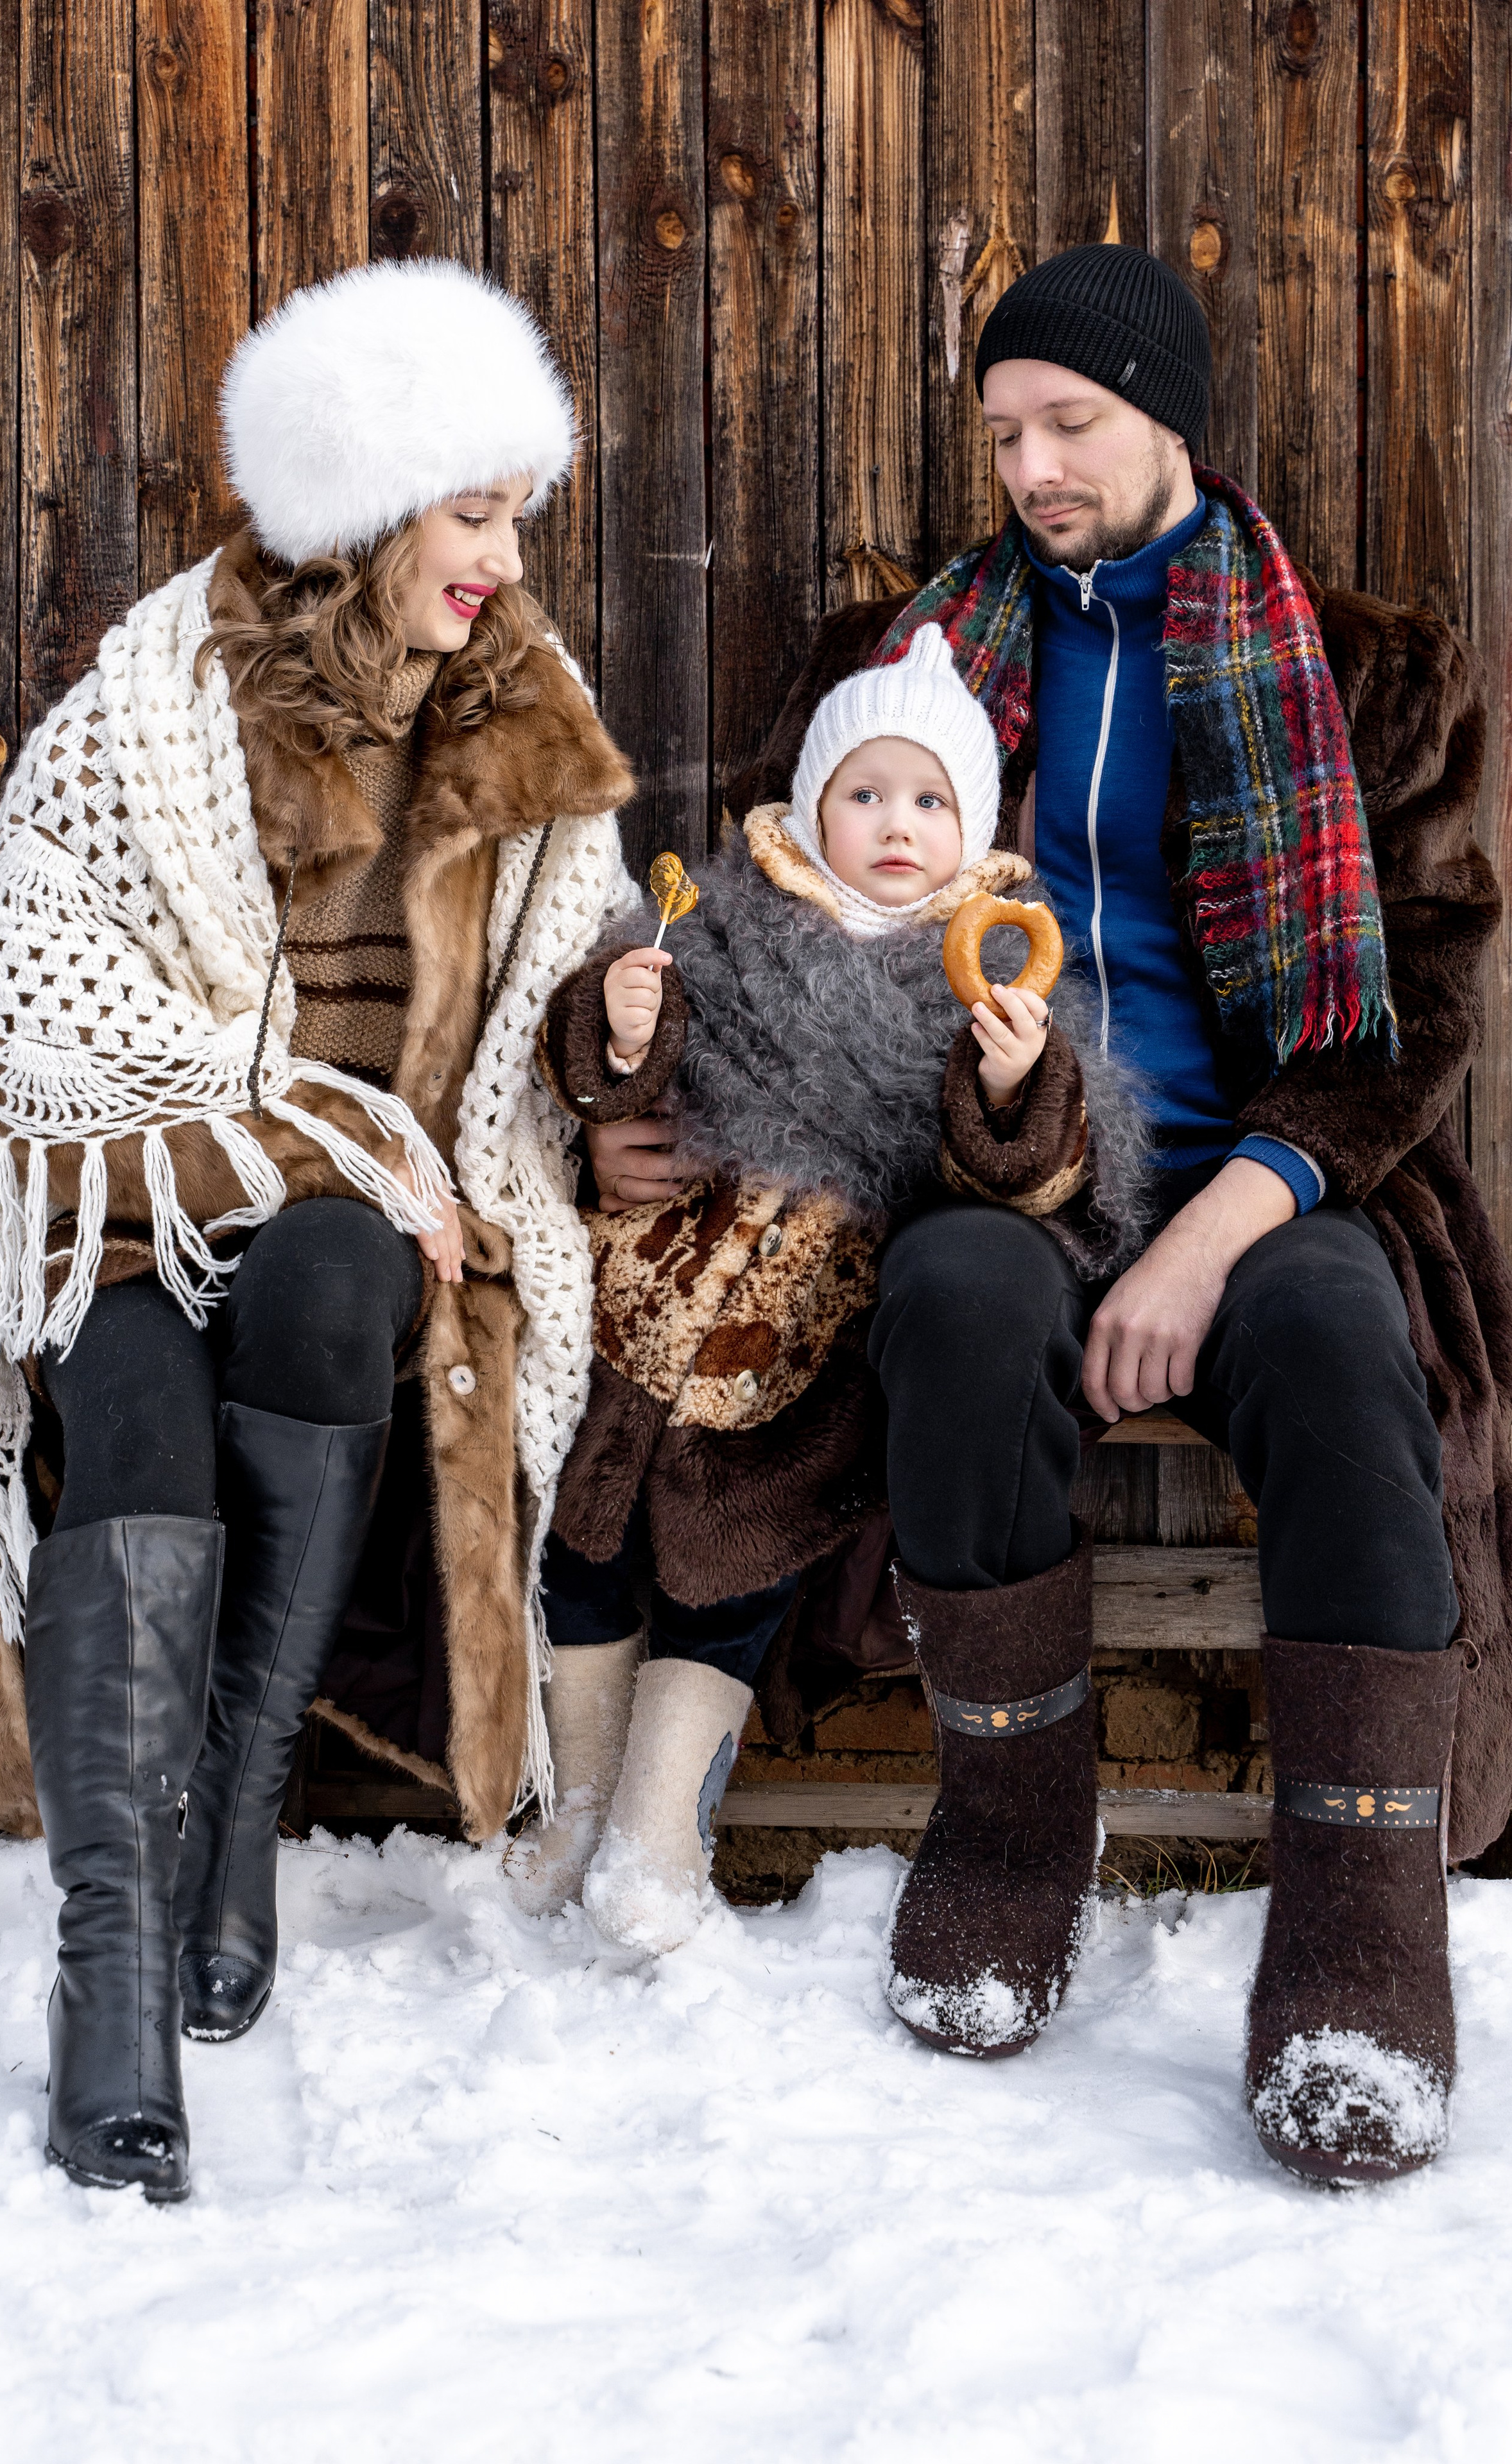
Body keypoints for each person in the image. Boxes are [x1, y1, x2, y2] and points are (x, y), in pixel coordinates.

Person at [639, 243, 1506, 2186]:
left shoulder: (1367, 670)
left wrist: (1221, 1229)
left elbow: (1424, 998)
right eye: (1006, 430)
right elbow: (779, 918)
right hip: (998, 1160)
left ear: (1168, 413)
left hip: (1275, 1173)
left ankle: (1363, 1927)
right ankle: (1016, 1821)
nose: (1034, 467)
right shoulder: (909, 667)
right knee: (950, 1292)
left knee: (1355, 1337)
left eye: (1074, 424)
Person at [0, 259, 639, 2200]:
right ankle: (111, 1980)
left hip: (361, 1214)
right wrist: (283, 1118)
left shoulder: (523, 728)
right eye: (475, 512)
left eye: (516, 513)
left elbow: (556, 1018)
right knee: (129, 1402)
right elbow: (15, 1005)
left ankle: (231, 1834)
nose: (503, 556)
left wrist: (623, 1021)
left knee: (330, 1281)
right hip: (122, 1199)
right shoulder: (151, 700)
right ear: (370, 508)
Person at [513, 621, 1147, 1952]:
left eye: (928, 800)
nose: (895, 823)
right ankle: (572, 1799)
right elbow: (618, 1070)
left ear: (968, 821)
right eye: (864, 793)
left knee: (726, 1570)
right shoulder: (726, 921)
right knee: (583, 1544)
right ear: (812, 806)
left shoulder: (996, 963)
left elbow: (1039, 1167)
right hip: (646, 1310)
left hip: (799, 1349)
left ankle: (656, 1828)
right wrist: (620, 1033)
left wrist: (1005, 1082)